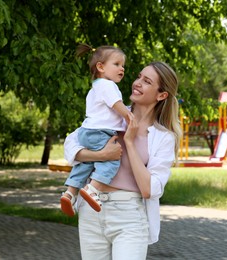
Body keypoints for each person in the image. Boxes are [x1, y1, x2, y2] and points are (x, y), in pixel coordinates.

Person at [64, 61, 182, 260]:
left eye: (146, 81)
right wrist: (101, 156)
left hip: (129, 216)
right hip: (92, 211)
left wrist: (129, 141)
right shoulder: (110, 113)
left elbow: (149, 189)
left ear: (161, 95)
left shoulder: (164, 137)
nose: (137, 83)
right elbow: (71, 144)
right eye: (138, 77)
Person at [60, 44, 134, 217]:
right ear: (101, 67)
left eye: (123, 65)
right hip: (101, 132)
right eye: (116, 64)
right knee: (111, 161)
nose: (121, 68)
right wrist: (130, 117)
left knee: (85, 164)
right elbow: (118, 106)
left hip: (86, 132)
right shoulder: (108, 86)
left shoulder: (96, 87)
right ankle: (93, 189)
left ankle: (70, 193)